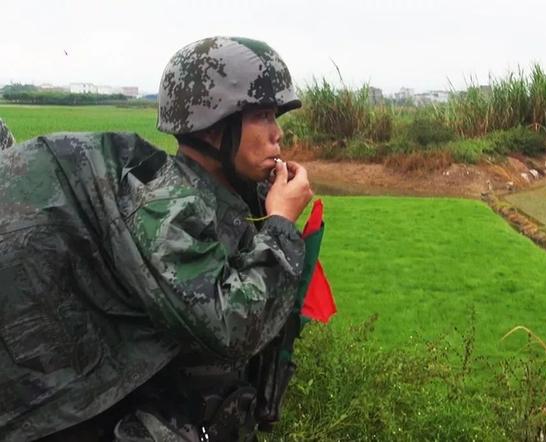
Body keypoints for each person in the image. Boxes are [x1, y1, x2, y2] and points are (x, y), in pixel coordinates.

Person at [0, 36, 313, 441]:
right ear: (216, 128)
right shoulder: (163, 206)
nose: (277, 134)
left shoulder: (218, 202)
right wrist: (281, 226)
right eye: (264, 116)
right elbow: (232, 327)